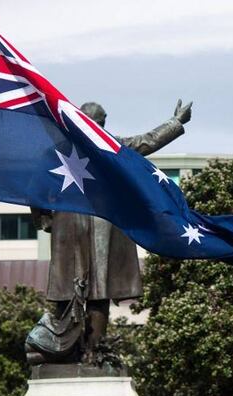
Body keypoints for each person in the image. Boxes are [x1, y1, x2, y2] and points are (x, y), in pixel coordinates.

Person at [27, 100, 192, 364]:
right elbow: (147, 142)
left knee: (80, 290)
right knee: (88, 291)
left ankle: (82, 350)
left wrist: (45, 220)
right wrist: (176, 122)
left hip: (80, 226)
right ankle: (81, 350)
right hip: (89, 225)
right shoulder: (106, 146)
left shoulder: (64, 149)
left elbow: (33, 188)